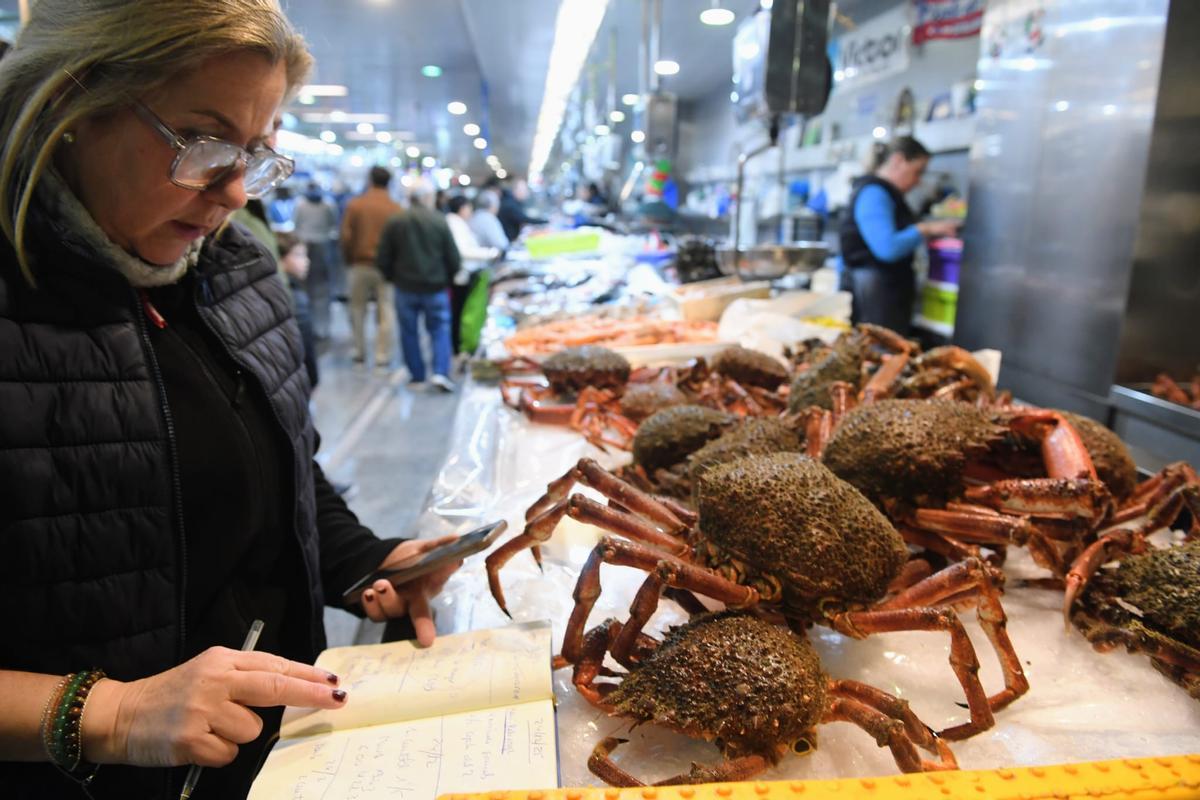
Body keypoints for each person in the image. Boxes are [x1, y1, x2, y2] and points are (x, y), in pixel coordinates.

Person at [0, 3, 463, 798]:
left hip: (280, 758)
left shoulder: (235, 266)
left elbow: (284, 459)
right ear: (69, 106)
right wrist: (107, 711)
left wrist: (358, 559)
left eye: (259, 152)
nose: (234, 191)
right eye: (204, 144)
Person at [839, 136, 959, 334]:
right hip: (875, 296)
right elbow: (887, 248)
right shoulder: (874, 193)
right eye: (917, 172)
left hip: (883, 293)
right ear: (898, 160)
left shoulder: (885, 193)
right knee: (878, 353)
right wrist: (925, 229)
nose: (918, 180)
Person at [377, 183, 461, 392]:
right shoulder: (438, 221)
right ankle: (440, 372)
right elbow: (453, 258)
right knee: (439, 329)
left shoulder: (396, 221)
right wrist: (447, 278)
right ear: (427, 198)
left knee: (409, 331)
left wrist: (391, 277)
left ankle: (417, 375)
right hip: (435, 287)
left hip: (405, 287)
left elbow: (383, 256)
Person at [340, 166, 400, 367]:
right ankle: (382, 355)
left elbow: (346, 237)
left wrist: (349, 259)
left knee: (357, 309)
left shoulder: (356, 205)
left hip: (360, 264)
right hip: (386, 269)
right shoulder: (395, 208)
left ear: (370, 180)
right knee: (386, 310)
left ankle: (359, 350)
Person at [444, 195, 499, 357]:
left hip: (463, 274)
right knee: (460, 311)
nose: (471, 211)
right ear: (462, 208)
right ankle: (459, 345)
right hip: (461, 275)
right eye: (468, 208)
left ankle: (459, 344)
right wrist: (489, 253)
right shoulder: (455, 224)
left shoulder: (457, 223)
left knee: (459, 310)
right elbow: (463, 251)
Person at [292, 180, 339, 337]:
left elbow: (295, 223)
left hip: (306, 246)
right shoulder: (328, 204)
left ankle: (308, 327)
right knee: (322, 289)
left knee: (305, 289)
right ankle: (322, 328)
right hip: (323, 247)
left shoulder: (300, 204)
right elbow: (333, 223)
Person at [277, 232, 320, 388]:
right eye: (298, 255)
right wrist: (313, 379)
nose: (306, 261)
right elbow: (305, 344)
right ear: (281, 260)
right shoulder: (295, 298)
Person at [492, 176, 545, 242]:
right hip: (508, 241)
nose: (526, 193)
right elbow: (524, 219)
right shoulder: (510, 204)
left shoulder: (512, 201)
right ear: (516, 190)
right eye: (524, 190)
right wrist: (545, 221)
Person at [469, 188, 509, 254]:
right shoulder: (488, 219)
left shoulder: (474, 216)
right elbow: (501, 244)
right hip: (486, 260)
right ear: (493, 206)